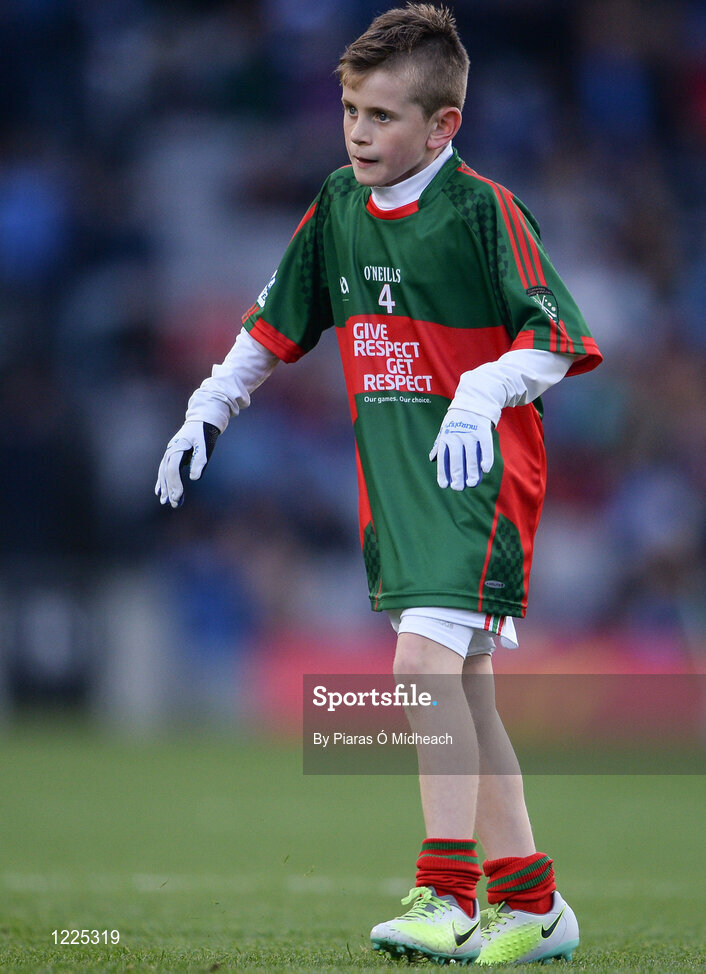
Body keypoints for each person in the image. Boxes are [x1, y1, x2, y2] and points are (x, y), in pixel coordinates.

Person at [156, 3, 602, 965]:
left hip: (480, 481)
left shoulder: (484, 208)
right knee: (467, 694)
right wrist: (210, 406)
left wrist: (483, 391)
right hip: (398, 484)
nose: (360, 132)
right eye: (351, 110)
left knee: (421, 674)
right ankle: (532, 905)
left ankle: (444, 894)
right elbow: (277, 321)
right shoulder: (339, 204)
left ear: (443, 125)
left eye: (384, 116)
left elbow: (561, 333)